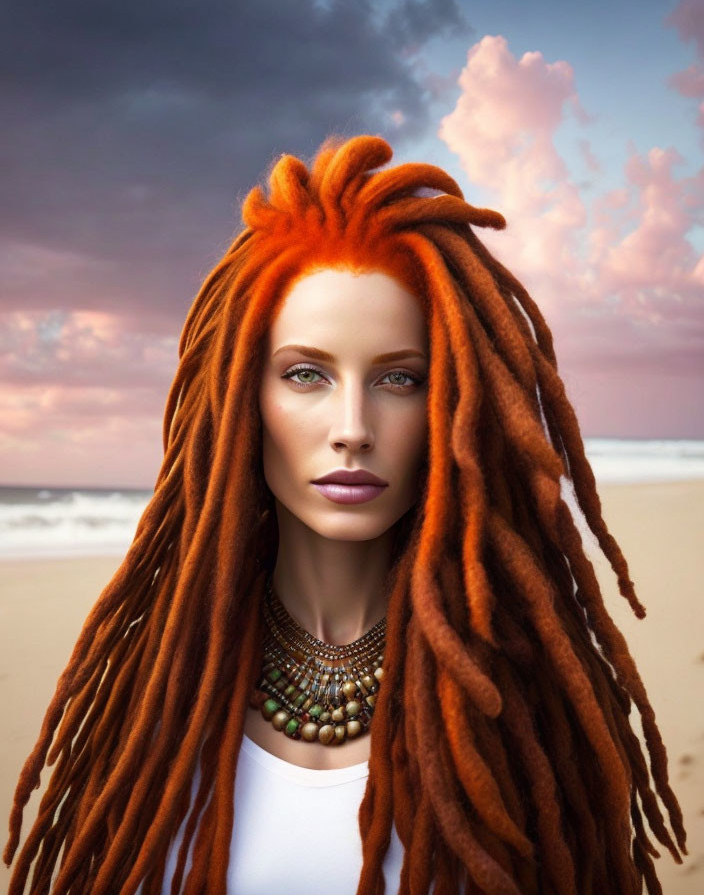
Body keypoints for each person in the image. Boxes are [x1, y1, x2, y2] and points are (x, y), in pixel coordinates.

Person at [3, 134, 687, 894]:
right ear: (239, 401)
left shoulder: (523, 719)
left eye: (399, 379)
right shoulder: (157, 699)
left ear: (454, 404)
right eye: (306, 374)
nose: (353, 426)